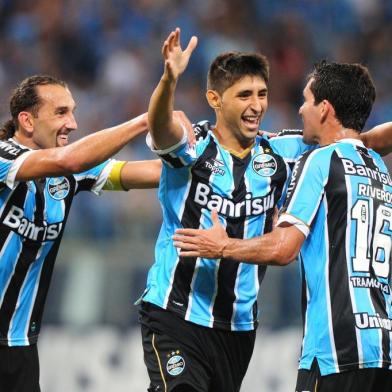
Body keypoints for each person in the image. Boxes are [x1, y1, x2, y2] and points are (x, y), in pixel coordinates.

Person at [140, 28, 392, 392]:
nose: (256, 105)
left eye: (262, 94)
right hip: (175, 309)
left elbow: (353, 139)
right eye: (244, 95)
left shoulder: (284, 152)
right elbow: (161, 127)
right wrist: (168, 80)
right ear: (215, 99)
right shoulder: (193, 146)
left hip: (238, 326)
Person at [0, 74, 167, 392]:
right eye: (61, 112)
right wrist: (146, 120)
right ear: (27, 121)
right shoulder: (3, 157)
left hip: (19, 345)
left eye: (72, 111)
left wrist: (209, 153)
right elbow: (70, 159)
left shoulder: (70, 176)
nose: (73, 123)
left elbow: (153, 173)